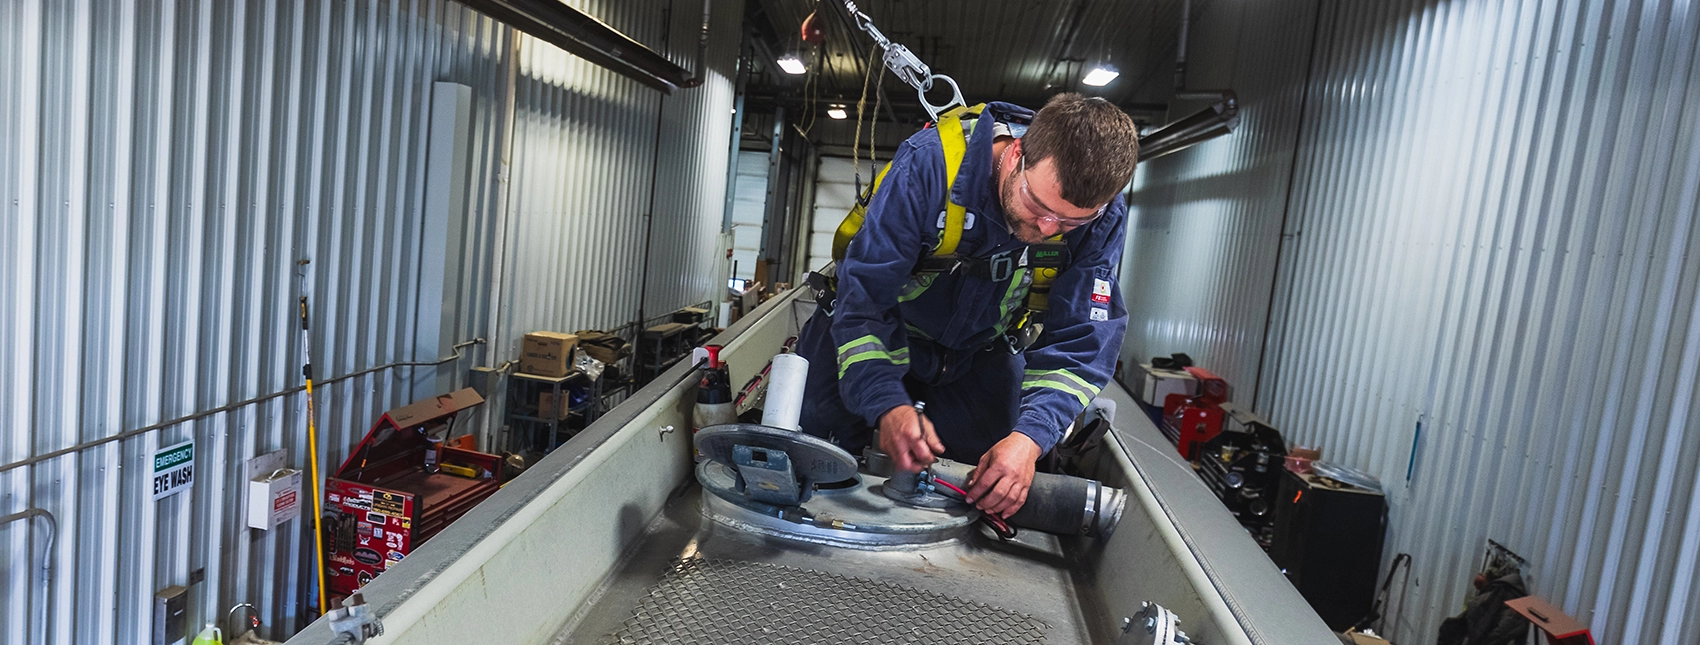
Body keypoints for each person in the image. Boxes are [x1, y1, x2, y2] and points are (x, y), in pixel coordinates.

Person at [795, 93, 1140, 519]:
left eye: (1072, 221)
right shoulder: (929, 166)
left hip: (981, 348)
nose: (1049, 228)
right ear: (1016, 153)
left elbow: (1083, 341)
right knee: (814, 447)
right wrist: (887, 402)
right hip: (880, 328)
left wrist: (1028, 441)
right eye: (1039, 205)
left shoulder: (1102, 217)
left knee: (989, 475)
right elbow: (865, 298)